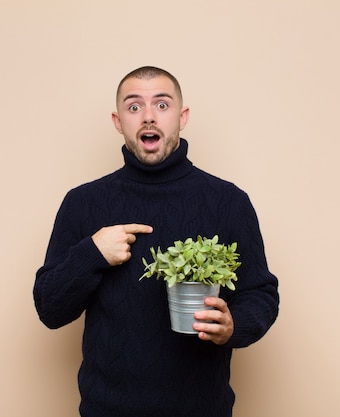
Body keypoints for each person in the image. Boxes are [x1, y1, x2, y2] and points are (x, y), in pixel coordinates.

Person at [33, 66, 279, 417]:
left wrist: (234, 325)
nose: (148, 117)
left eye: (162, 105)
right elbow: (49, 309)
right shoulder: (83, 203)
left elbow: (261, 294)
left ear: (183, 116)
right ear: (119, 121)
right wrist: (92, 254)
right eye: (134, 107)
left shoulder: (228, 201)